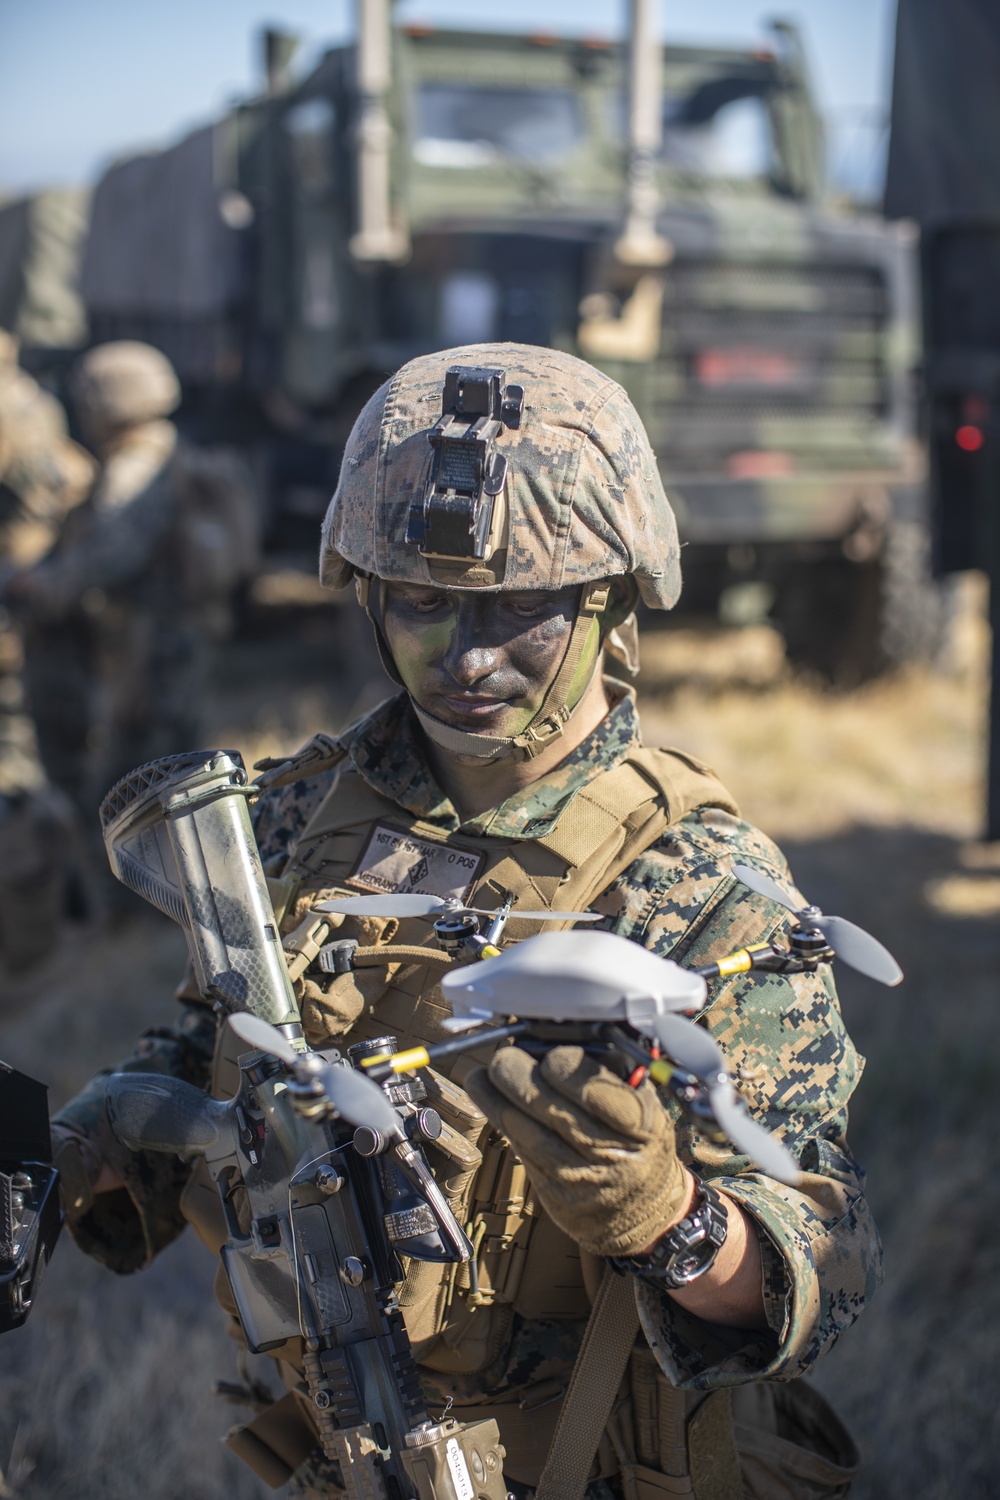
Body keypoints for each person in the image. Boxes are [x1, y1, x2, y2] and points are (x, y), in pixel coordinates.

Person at [50, 345, 879, 1497]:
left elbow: (825, 1268)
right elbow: (220, 1044)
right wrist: (79, 1147)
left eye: (523, 608)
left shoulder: (697, 881)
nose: (470, 657)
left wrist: (672, 1222)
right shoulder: (306, 818)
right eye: (425, 603)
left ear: (612, 601)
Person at [6, 340, 258, 824]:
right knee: (173, 768)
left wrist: (44, 585)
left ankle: (135, 891)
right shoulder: (175, 447)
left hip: (150, 642)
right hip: (185, 632)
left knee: (135, 780)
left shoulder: (134, 468)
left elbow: (112, 554)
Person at [0, 328, 95, 970]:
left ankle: (45, 934)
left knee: (22, 774)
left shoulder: (15, 410)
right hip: (32, 604)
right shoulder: (27, 400)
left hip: (25, 607)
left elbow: (28, 533)